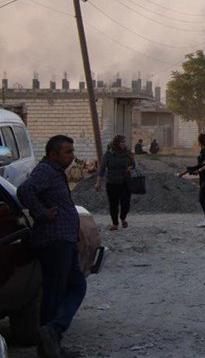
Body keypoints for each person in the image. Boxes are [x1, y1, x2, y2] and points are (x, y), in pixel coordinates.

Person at [16, 135, 87, 358]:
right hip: (54, 240)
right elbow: (24, 191)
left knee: (72, 287)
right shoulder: (46, 171)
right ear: (53, 154)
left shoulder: (54, 172)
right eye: (67, 152)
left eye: (72, 151)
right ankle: (52, 334)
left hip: (62, 239)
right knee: (58, 292)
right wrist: (40, 213)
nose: (72, 156)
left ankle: (51, 341)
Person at [94, 134, 135, 231]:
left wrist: (129, 168)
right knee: (113, 204)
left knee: (126, 204)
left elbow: (133, 165)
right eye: (122, 142)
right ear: (116, 143)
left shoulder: (128, 153)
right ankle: (115, 224)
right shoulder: (108, 154)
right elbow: (102, 169)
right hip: (112, 183)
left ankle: (123, 218)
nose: (124, 144)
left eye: (124, 142)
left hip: (125, 182)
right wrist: (98, 183)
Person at [181, 133, 205, 228]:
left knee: (203, 197)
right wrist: (184, 172)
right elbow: (198, 166)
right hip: (204, 178)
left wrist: (199, 170)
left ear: (200, 141)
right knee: (204, 197)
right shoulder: (203, 151)